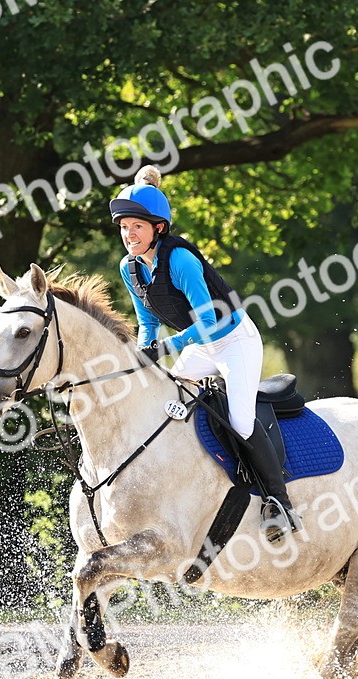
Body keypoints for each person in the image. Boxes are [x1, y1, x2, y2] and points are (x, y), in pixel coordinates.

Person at [110, 165, 302, 541]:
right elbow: (147, 321)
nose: (129, 235)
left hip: (234, 341)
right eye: (123, 227)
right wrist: (142, 352)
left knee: (242, 422)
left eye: (137, 227)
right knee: (171, 405)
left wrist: (169, 347)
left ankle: (279, 503)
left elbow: (212, 320)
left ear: (158, 228)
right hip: (200, 347)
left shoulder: (180, 260)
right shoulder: (129, 268)